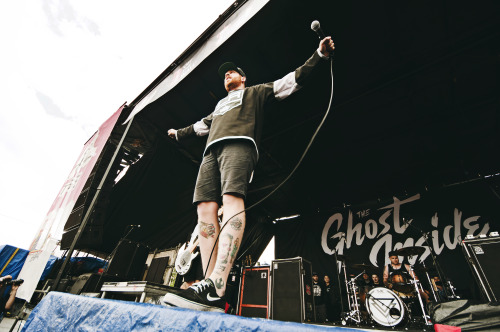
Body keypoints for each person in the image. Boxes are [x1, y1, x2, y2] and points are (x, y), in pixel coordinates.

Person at [162, 37, 335, 312]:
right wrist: (177, 133)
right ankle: (208, 288)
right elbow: (199, 127)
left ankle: (217, 283)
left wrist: (319, 55)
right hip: (210, 153)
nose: (227, 74)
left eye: (232, 72)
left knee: (231, 200)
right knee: (205, 208)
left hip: (240, 144)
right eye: (225, 74)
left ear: (242, 78)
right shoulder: (218, 106)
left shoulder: (255, 92)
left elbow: (290, 82)